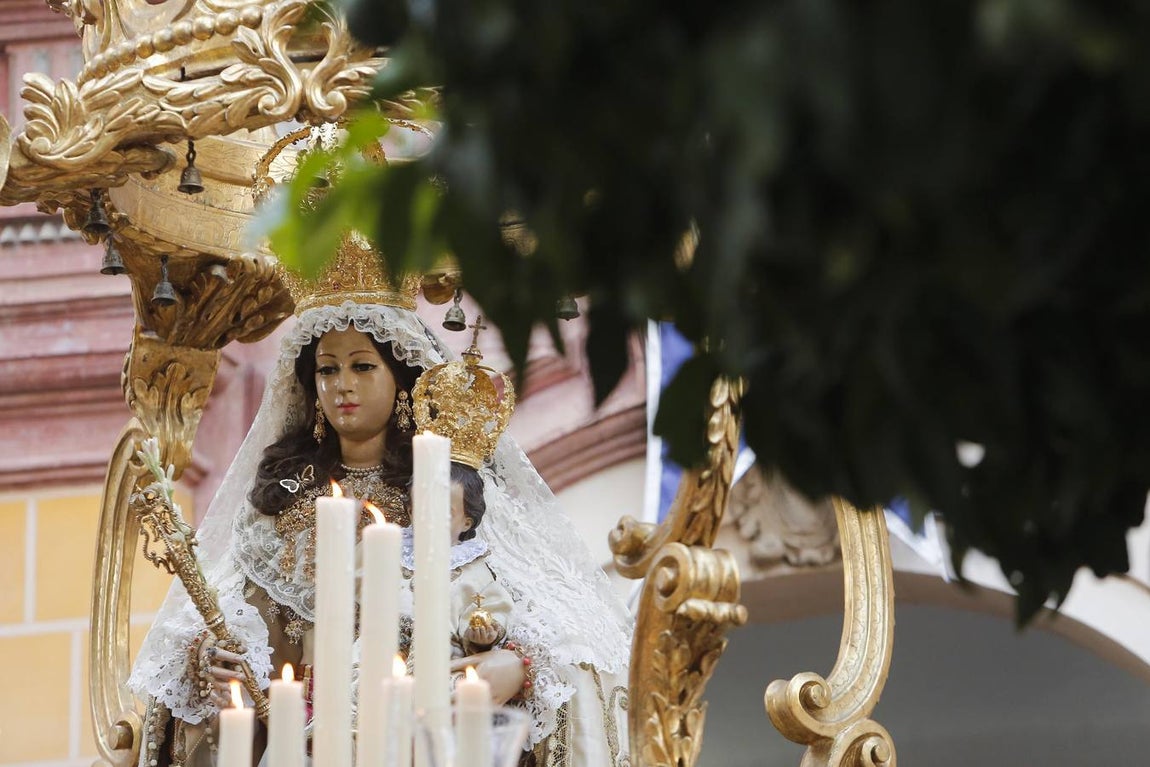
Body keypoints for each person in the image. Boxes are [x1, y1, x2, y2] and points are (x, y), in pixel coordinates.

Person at [127, 254, 633, 767]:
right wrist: (212, 659)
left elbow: (556, 624)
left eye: (362, 366)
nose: (341, 385)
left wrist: (516, 664)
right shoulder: (282, 501)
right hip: (307, 740)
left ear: (401, 377)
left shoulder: (443, 493)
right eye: (327, 369)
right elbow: (231, 618)